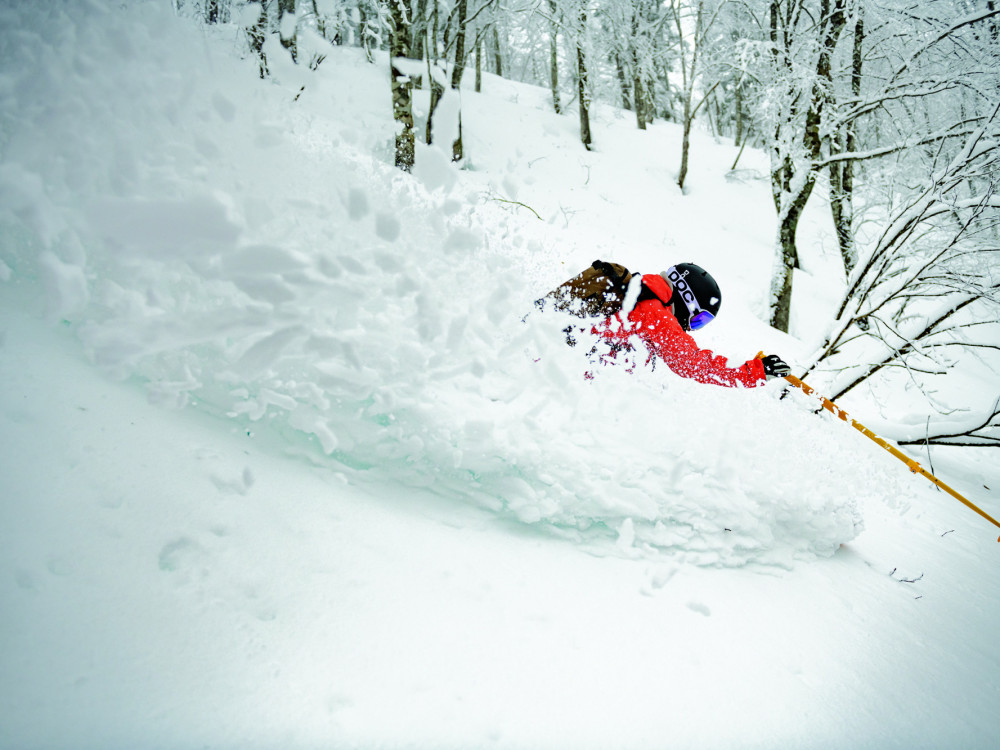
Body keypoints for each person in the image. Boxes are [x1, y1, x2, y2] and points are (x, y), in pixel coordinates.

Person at [575, 261, 790, 387]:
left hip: (570, 361)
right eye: (698, 319)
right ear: (689, 301)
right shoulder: (658, 314)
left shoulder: (641, 292)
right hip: (578, 378)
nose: (690, 327)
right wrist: (756, 371)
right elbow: (694, 365)